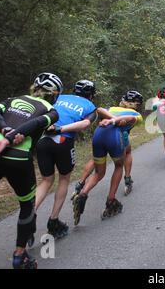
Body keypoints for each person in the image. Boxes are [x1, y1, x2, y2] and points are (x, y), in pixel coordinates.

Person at [0, 73, 62, 269]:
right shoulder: (51, 110)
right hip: (17, 157)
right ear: (54, 94)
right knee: (27, 206)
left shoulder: (12, 100)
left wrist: (5, 130)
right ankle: (19, 256)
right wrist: (11, 136)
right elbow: (37, 123)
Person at [33, 80, 97, 240]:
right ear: (91, 94)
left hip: (42, 140)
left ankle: (29, 216)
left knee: (46, 180)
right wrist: (61, 129)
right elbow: (84, 123)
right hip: (63, 141)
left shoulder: (59, 96)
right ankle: (53, 221)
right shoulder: (91, 107)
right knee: (63, 179)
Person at [72, 90, 144, 225]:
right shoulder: (137, 115)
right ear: (137, 105)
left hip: (99, 134)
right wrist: (115, 120)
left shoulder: (111, 108)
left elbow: (98, 109)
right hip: (115, 136)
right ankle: (111, 200)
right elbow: (131, 119)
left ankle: (83, 193)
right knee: (118, 166)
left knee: (99, 172)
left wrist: (110, 118)